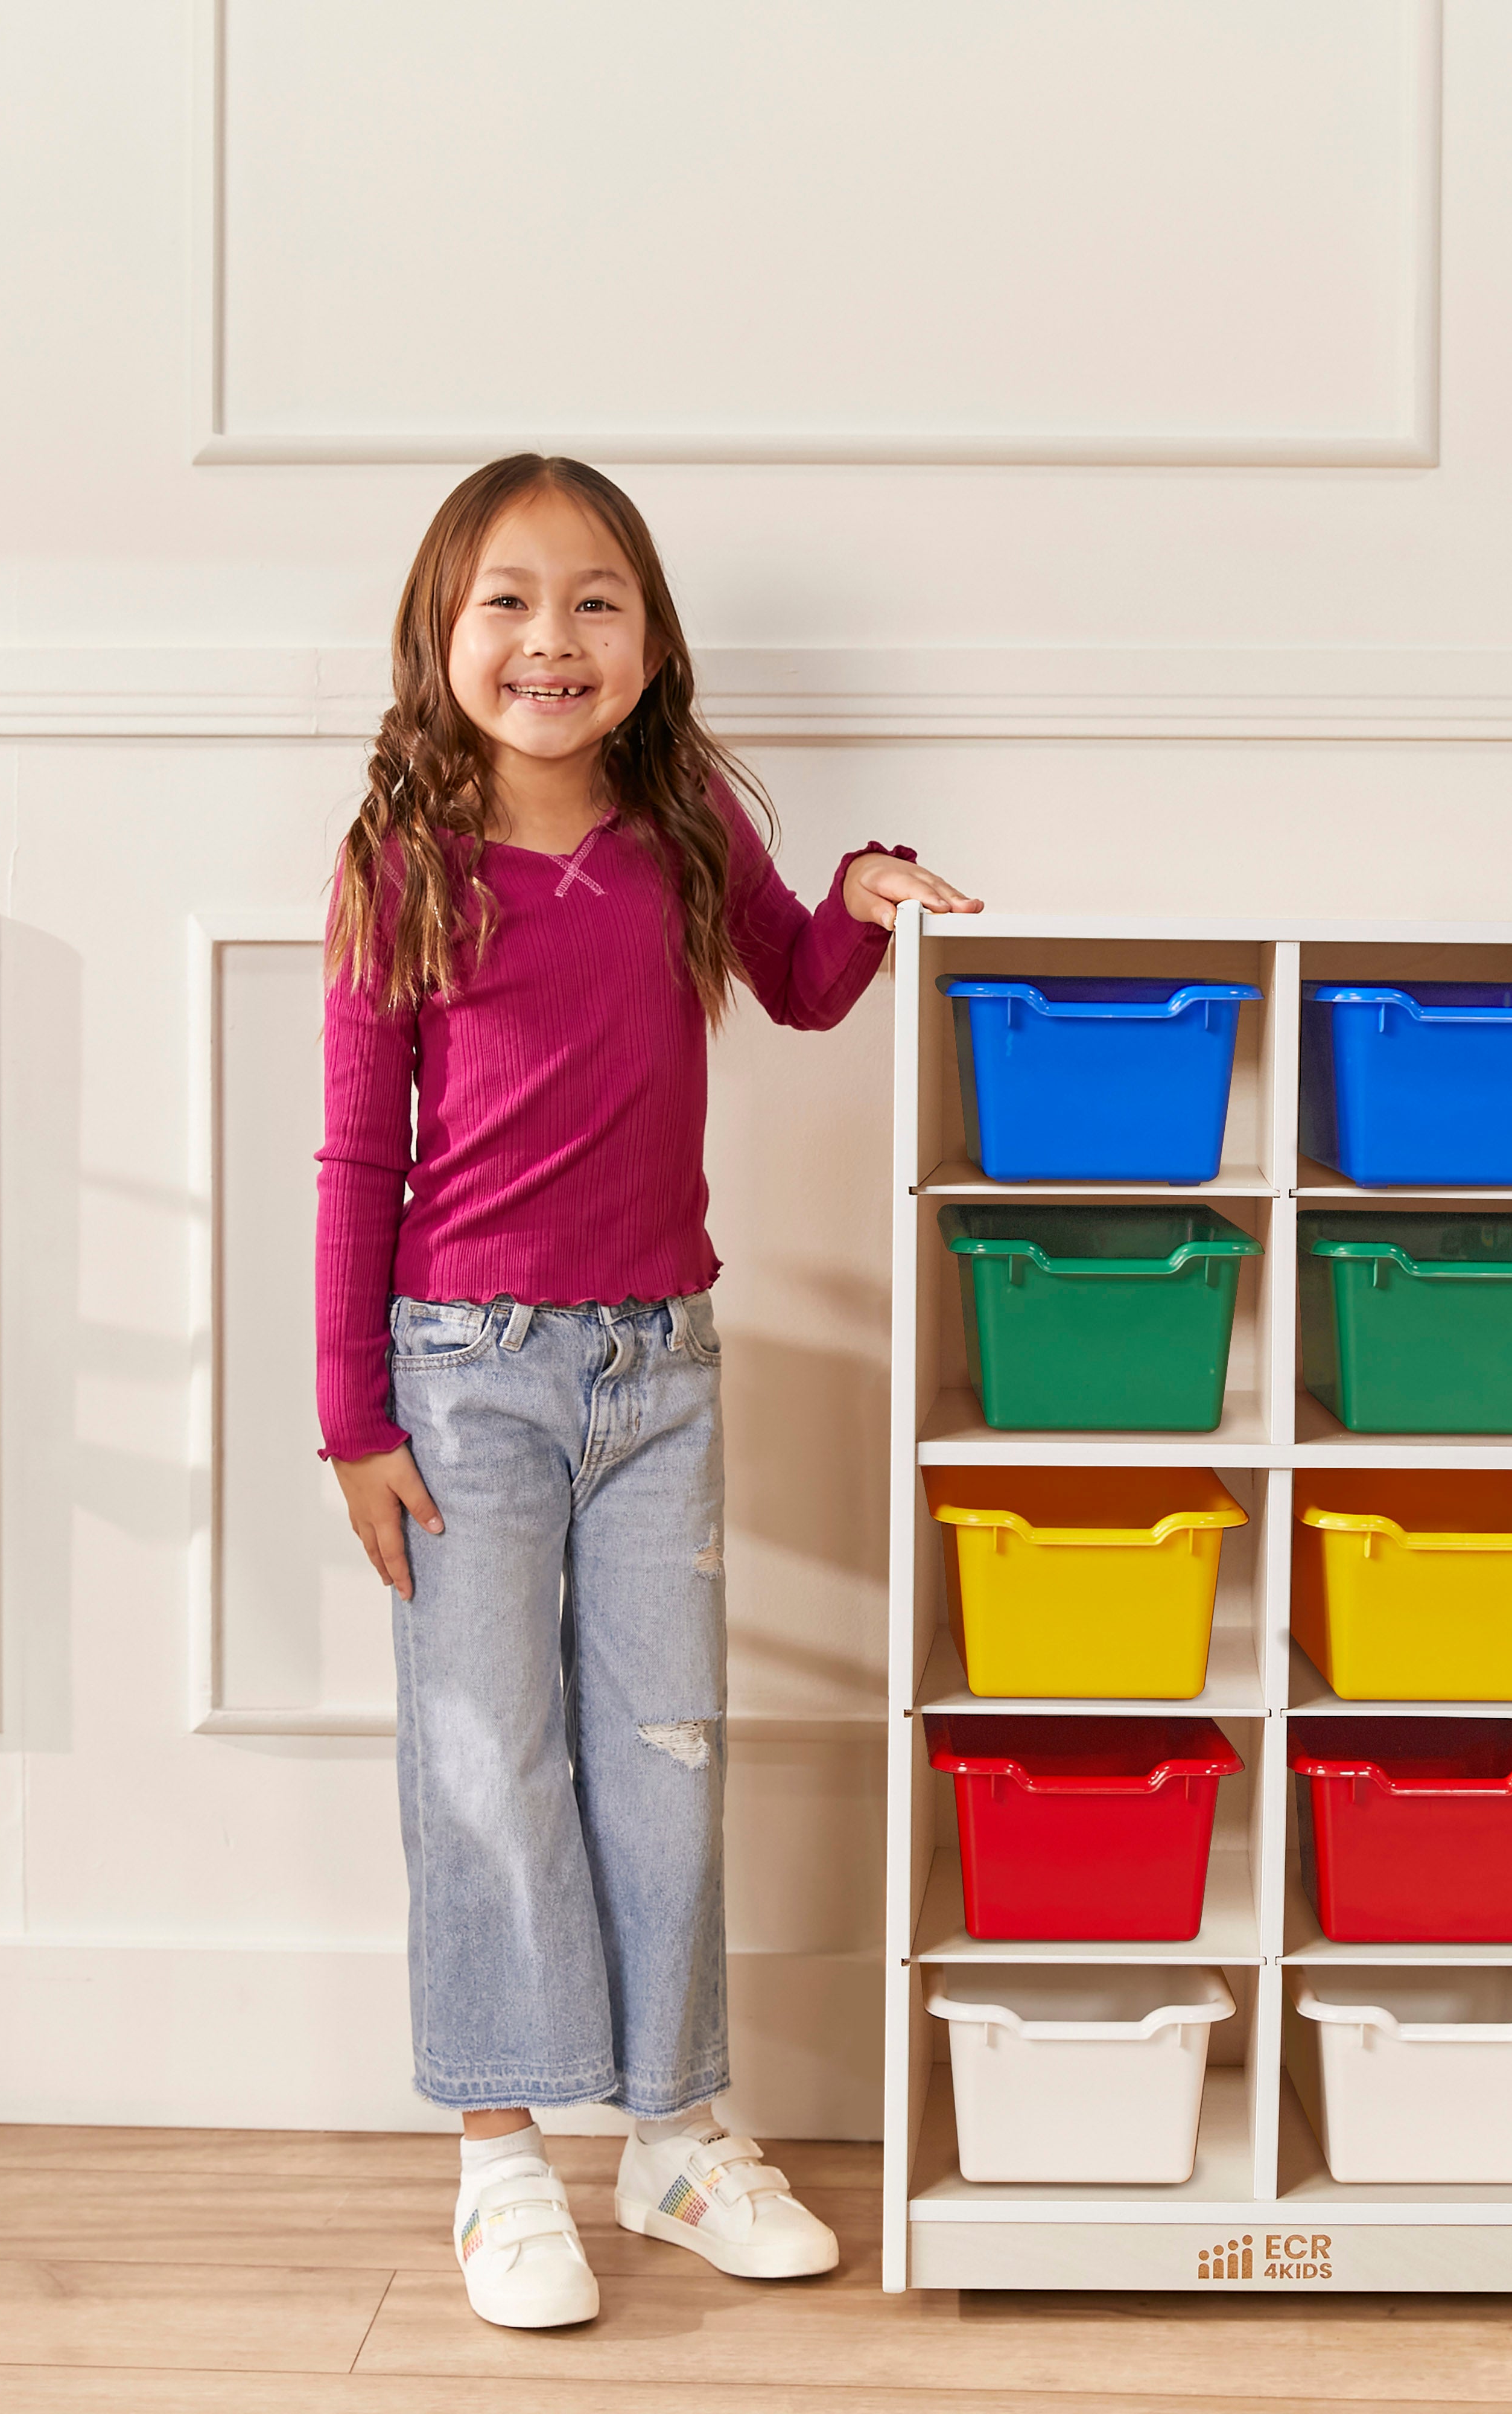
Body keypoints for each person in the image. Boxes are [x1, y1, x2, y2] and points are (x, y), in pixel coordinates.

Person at [317, 453, 978, 2328]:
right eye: (508, 601)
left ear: (652, 638)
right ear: (444, 638)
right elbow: (358, 1162)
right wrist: (350, 1416)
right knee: (487, 1766)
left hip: (661, 1369)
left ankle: (677, 2133)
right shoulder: (402, 869)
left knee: (664, 1755)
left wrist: (852, 888)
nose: (552, 638)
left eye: (596, 600)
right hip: (463, 1387)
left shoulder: (683, 818)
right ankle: (501, 2154)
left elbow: (804, 983)